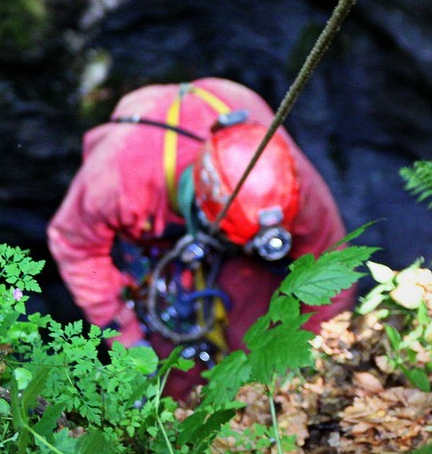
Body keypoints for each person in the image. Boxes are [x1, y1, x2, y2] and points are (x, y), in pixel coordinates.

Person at [47, 78, 355, 399]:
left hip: (247, 260)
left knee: (257, 340)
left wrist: (311, 357)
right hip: (154, 243)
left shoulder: (288, 184)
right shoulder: (116, 178)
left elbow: (330, 266)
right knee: (177, 369)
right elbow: (74, 246)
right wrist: (127, 339)